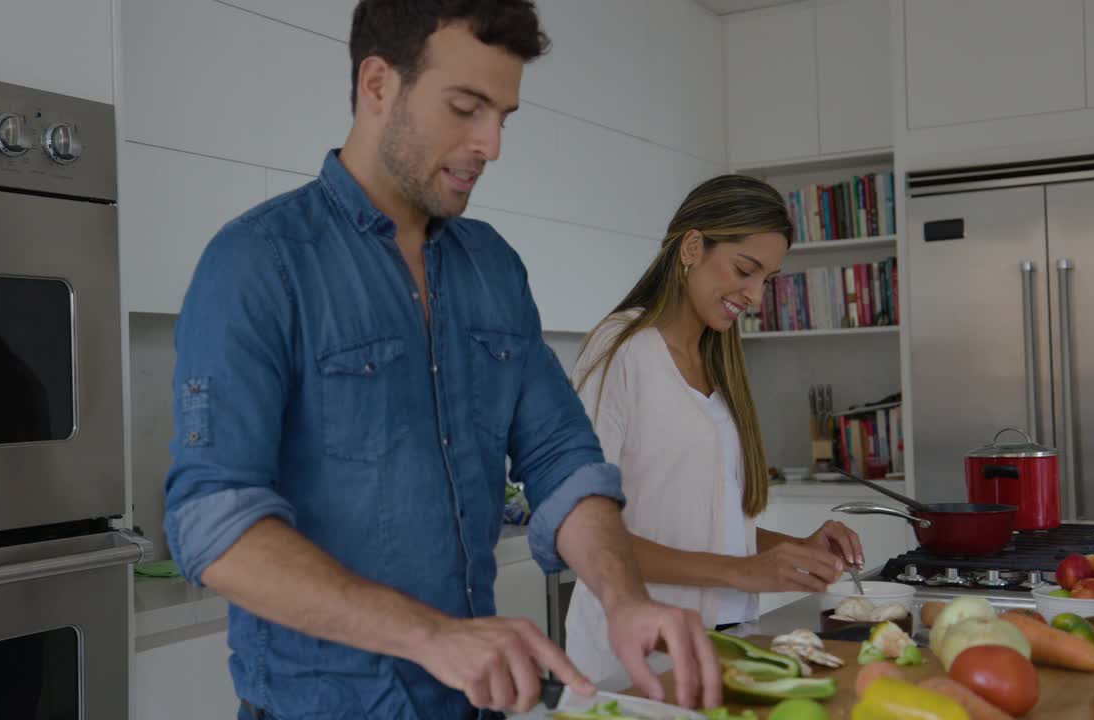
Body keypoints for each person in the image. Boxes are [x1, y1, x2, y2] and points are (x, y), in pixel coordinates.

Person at [162, 2, 719, 718]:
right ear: (377, 85)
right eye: (465, 108)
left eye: (504, 117)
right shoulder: (256, 263)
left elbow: (562, 460)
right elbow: (215, 524)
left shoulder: (492, 266)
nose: (490, 144)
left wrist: (625, 600)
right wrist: (433, 636)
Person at [564, 174, 866, 679]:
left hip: (722, 645)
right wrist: (743, 571)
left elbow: (705, 524)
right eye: (745, 270)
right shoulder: (620, 350)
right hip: (632, 658)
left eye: (766, 279)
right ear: (692, 246)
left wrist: (791, 551)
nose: (754, 295)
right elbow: (587, 536)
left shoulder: (717, 364)